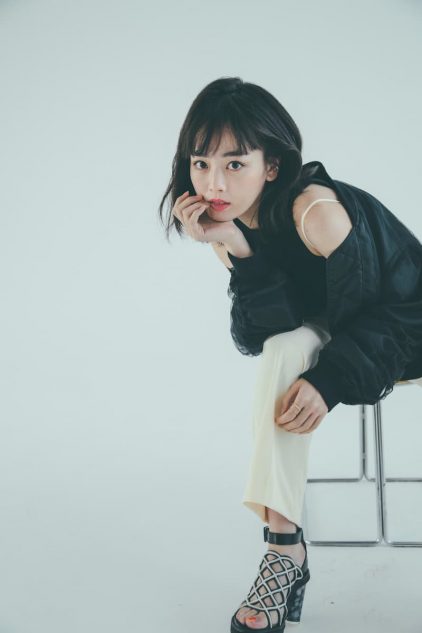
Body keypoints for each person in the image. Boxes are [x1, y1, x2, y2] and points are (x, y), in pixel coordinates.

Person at [158, 77, 422, 632]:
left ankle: (283, 556)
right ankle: (285, 548)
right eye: (201, 163)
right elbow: (266, 332)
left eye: (235, 163)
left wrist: (330, 380)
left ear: (272, 166)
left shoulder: (316, 213)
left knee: (296, 353)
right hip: (346, 326)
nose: (213, 183)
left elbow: (392, 313)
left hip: (405, 323)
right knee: (282, 350)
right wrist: (236, 247)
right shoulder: (226, 222)